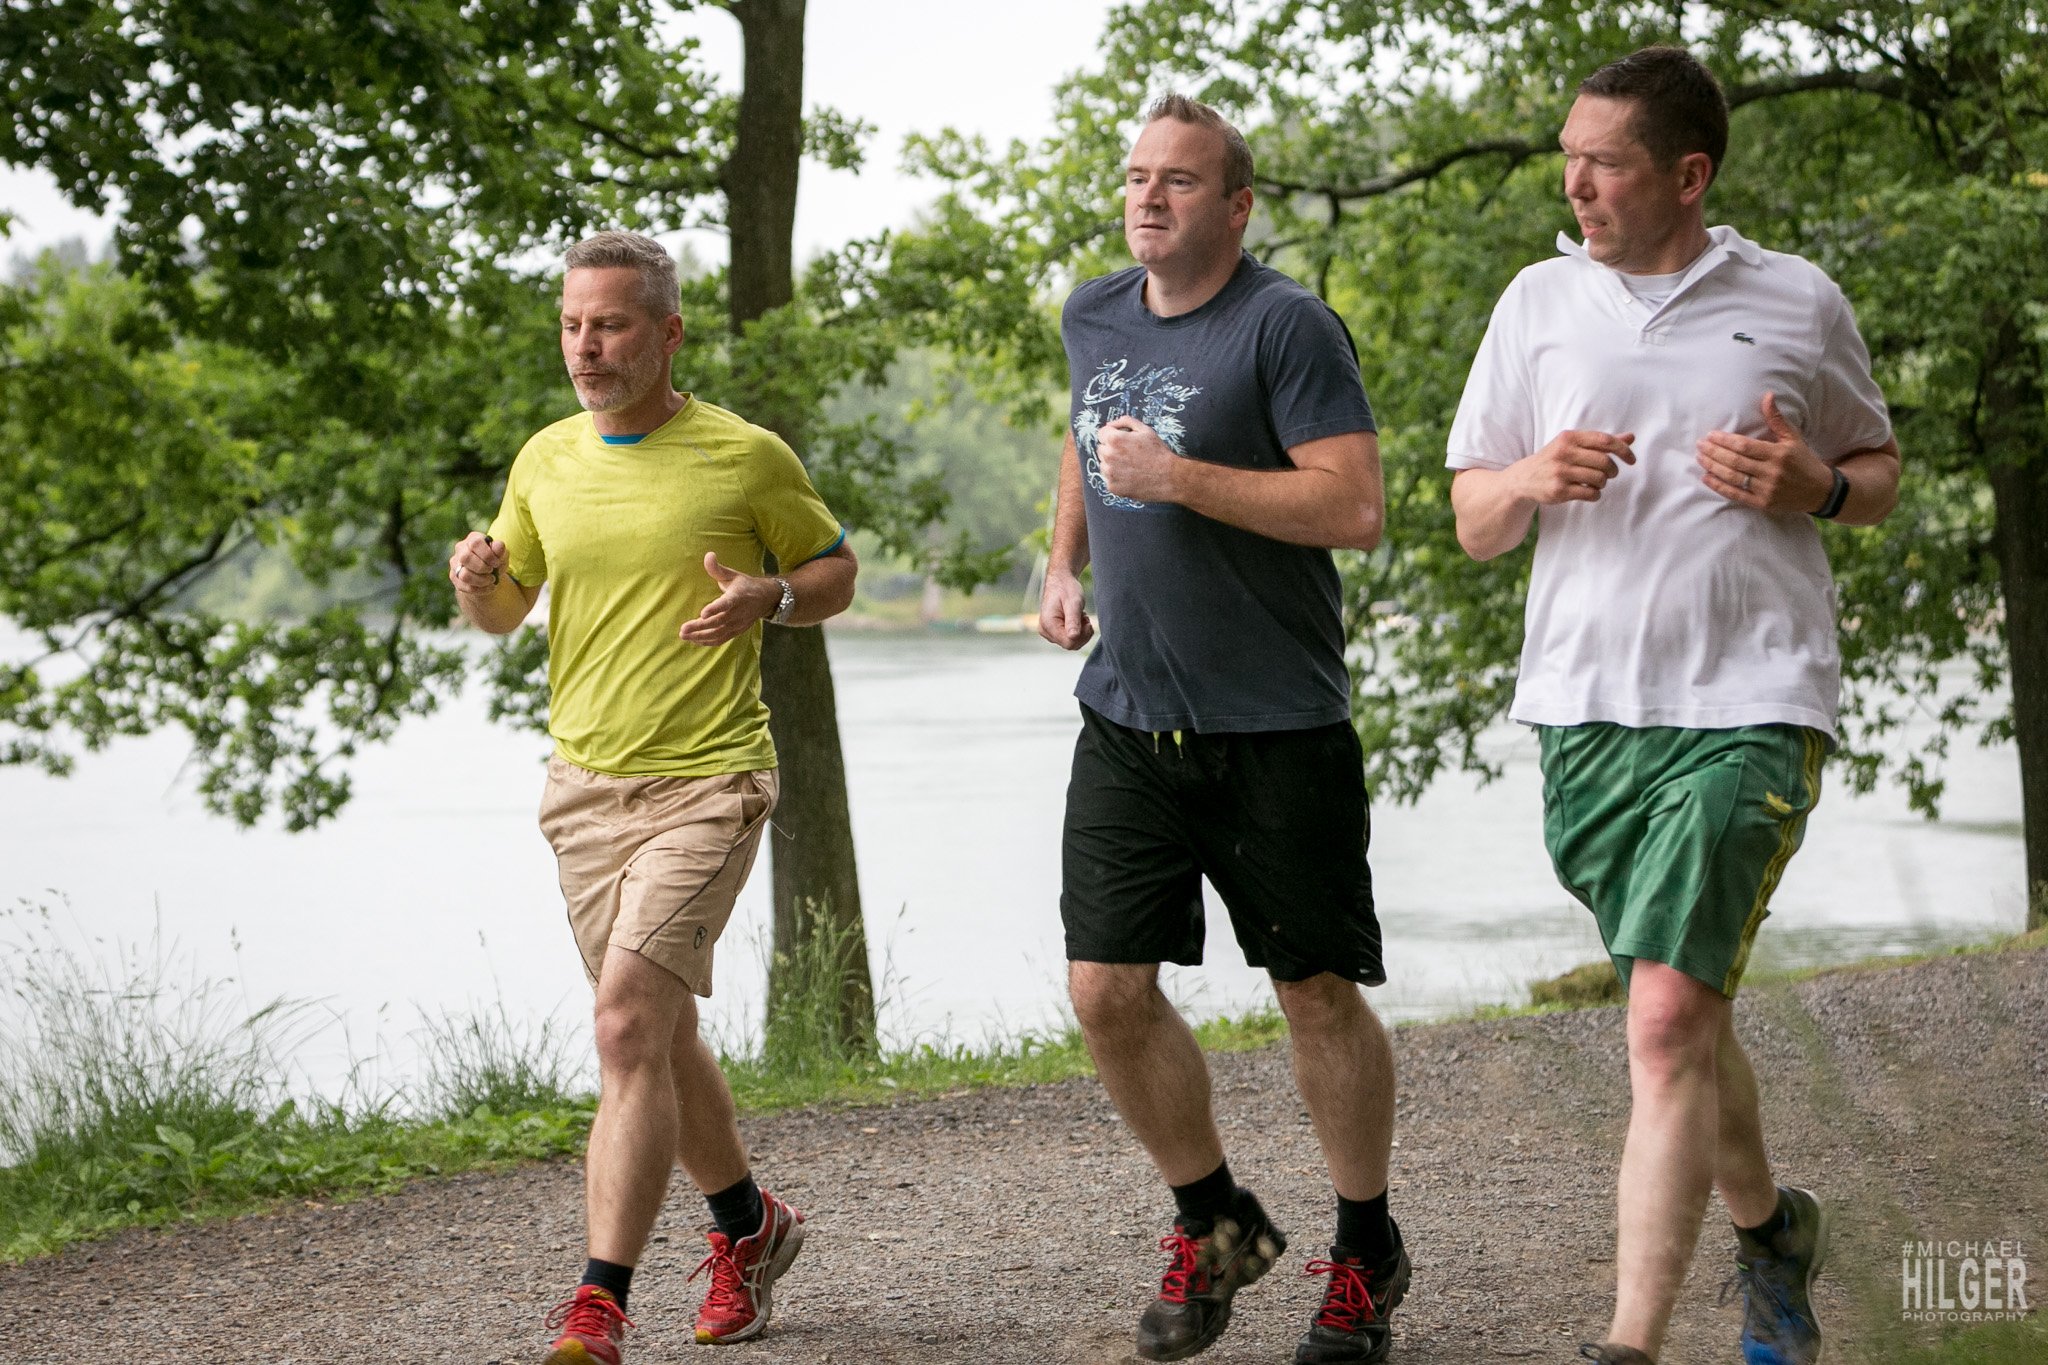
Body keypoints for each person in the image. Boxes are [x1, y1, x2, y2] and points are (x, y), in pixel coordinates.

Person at [1445, 46, 1900, 1365]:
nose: (1575, 184)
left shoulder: (1796, 299)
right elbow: (1472, 517)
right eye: (1569, 159)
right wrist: (1527, 478)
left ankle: (1629, 1343)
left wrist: (1817, 487)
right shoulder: (1537, 302)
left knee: (1657, 1022)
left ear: (1688, 175)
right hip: (1585, 709)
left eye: (1605, 163)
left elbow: (1875, 470)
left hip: (1752, 698)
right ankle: (1772, 1231)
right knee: (1679, 1012)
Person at [1038, 93, 1406, 1365]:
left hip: (1276, 724)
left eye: (1180, 181)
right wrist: (1062, 562)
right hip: (1129, 714)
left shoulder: (1285, 326)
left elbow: (1352, 508)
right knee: (1104, 990)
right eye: (1136, 176)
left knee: (1313, 994)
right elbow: (1083, 436)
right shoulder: (1093, 311)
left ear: (1237, 207)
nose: (1148, 197)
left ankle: (1363, 1248)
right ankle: (1216, 1223)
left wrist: (1177, 480)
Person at [449, 230, 857, 1365]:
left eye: (611, 325)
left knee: (625, 1021)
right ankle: (748, 1226)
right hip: (582, 793)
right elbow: (506, 610)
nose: (586, 346)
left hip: (711, 780)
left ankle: (598, 1305)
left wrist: (771, 596)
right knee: (659, 1032)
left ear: (668, 333)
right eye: (573, 326)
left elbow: (834, 571)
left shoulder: (742, 457)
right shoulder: (544, 459)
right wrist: (478, 582)